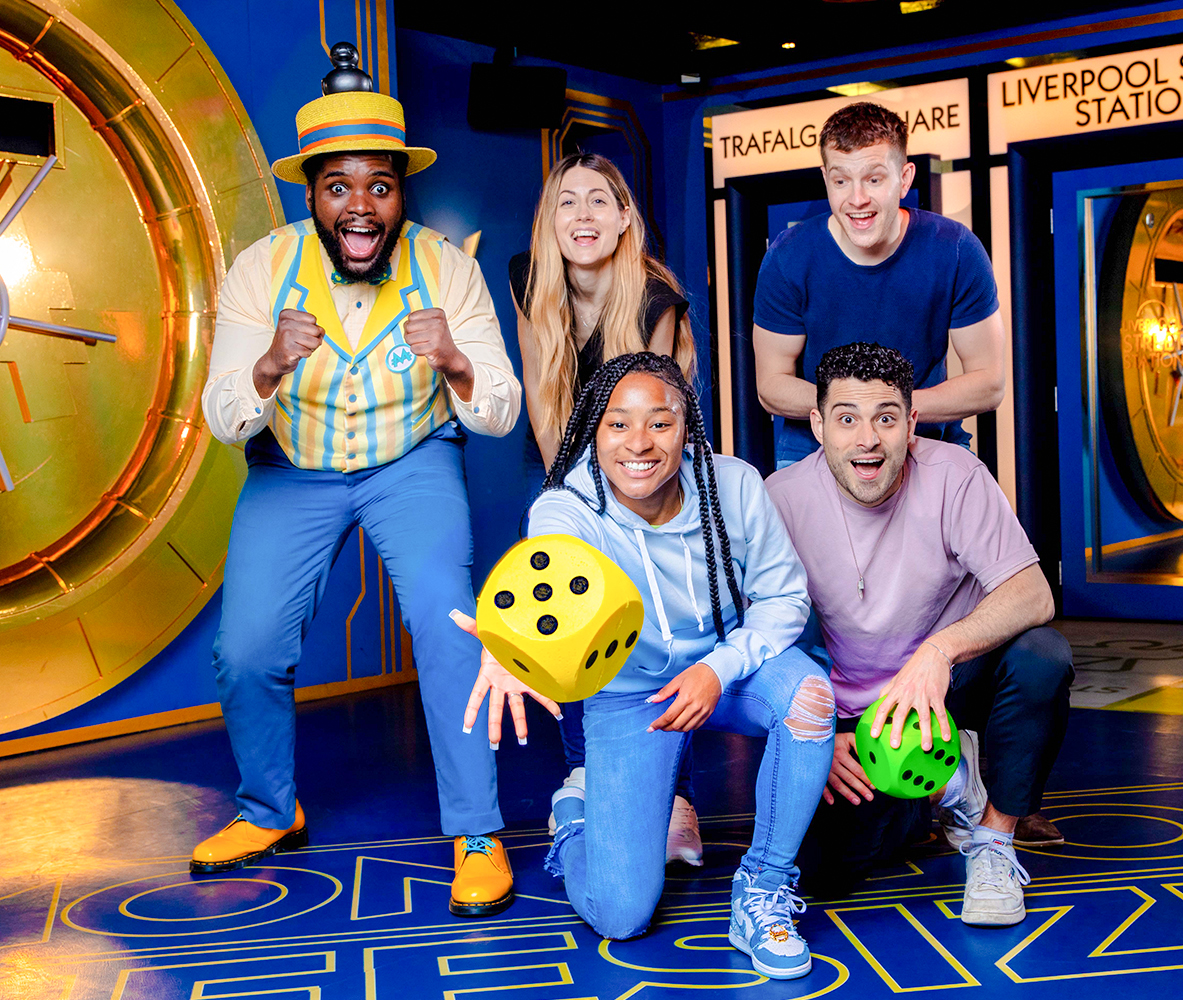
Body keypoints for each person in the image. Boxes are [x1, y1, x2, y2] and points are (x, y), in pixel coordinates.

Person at [195, 47, 523, 918]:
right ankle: (270, 810)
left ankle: (477, 832)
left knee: (449, 627)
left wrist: (455, 360)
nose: (360, 206)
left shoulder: (447, 267)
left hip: (411, 460)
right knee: (247, 649)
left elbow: (501, 411)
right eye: (338, 187)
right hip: (291, 470)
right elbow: (223, 417)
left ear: (400, 193)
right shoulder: (260, 269)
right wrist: (268, 364)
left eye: (379, 186)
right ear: (311, 195)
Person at [457, 352, 834, 980]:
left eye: (660, 423)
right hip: (632, 696)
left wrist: (719, 667)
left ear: (686, 427)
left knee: (809, 696)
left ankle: (763, 890)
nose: (639, 443)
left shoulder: (734, 484)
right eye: (618, 424)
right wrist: (502, 645)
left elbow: (785, 597)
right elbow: (539, 581)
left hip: (727, 675)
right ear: (594, 430)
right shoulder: (565, 507)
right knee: (621, 915)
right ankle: (575, 819)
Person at [766, 342, 1073, 927]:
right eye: (847, 419)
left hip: (950, 684)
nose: (867, 440)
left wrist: (940, 650)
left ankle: (994, 840)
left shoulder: (955, 475)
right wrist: (816, 732)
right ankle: (947, 783)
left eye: (885, 418)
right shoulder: (780, 498)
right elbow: (761, 637)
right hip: (858, 713)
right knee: (822, 869)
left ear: (911, 424)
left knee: (1042, 656)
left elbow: (1034, 594)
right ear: (817, 426)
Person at [510, 153, 702, 864]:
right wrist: (571, 500)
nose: (583, 215)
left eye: (599, 200)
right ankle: (586, 777)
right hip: (562, 461)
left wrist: (618, 508)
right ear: (549, 219)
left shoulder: (656, 298)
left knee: (658, 625)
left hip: (648, 461)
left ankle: (677, 798)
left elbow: (653, 415)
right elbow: (542, 395)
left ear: (625, 219)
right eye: (568, 201)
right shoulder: (529, 278)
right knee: (567, 619)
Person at [752, 100, 1004, 469]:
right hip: (814, 448)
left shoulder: (955, 249)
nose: (857, 199)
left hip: (925, 439)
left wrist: (890, 411)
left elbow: (989, 382)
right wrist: (854, 413)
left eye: (874, 179)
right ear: (826, 178)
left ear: (904, 178)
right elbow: (771, 385)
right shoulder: (787, 257)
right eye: (841, 181)